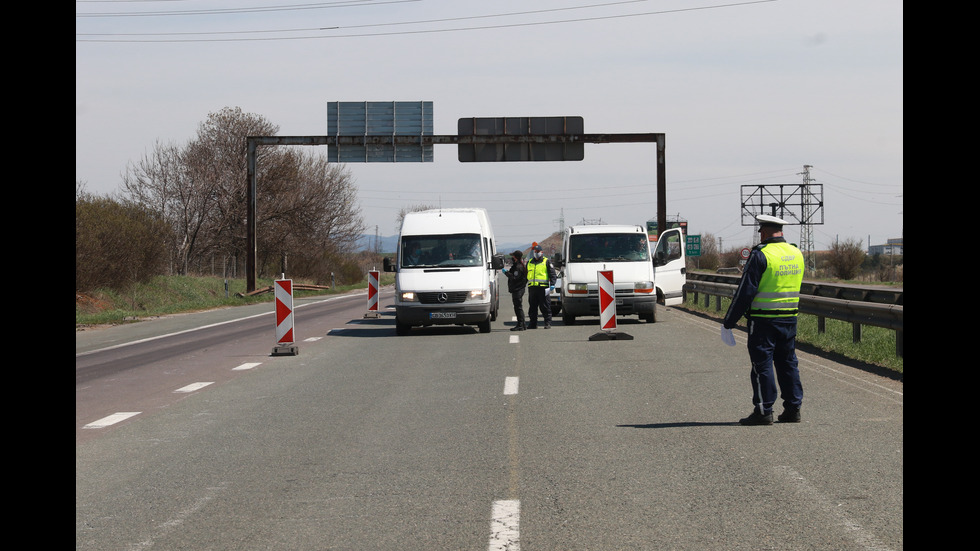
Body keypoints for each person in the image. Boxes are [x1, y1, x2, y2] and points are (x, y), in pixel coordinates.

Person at [723, 214, 805, 426]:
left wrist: (729, 321)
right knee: (788, 363)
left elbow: (745, 291)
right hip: (789, 318)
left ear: (765, 232)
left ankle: (764, 410)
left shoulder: (761, 254)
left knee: (762, 365)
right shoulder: (796, 252)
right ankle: (793, 408)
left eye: (760, 231)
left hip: (763, 320)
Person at [526, 244, 557, 329]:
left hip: (543, 288)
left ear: (542, 252)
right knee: (532, 307)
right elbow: (526, 275)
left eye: (538, 252)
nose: (536, 253)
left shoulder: (546, 261)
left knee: (545, 306)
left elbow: (552, 274)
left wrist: (553, 284)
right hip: (532, 288)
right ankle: (533, 324)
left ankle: (547, 323)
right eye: (535, 252)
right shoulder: (530, 262)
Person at [503, 250, 528, 331]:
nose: (511, 258)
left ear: (515, 257)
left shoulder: (518, 267)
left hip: (518, 289)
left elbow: (514, 278)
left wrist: (506, 273)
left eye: (513, 256)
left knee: (518, 307)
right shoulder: (517, 265)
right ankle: (522, 324)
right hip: (518, 288)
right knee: (518, 307)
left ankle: (520, 324)